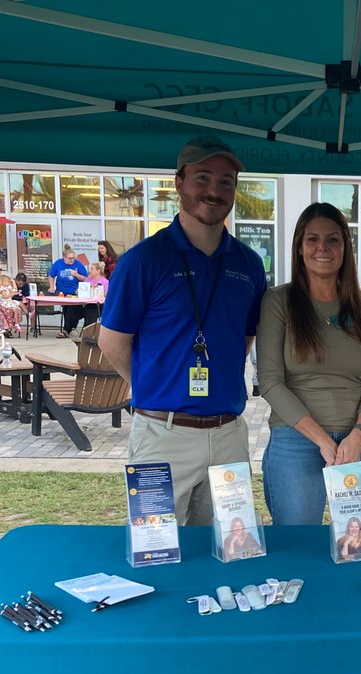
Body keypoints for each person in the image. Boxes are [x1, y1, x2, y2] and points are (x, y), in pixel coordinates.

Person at [99, 134, 266, 526]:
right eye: (203, 178)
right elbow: (112, 341)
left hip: (228, 436)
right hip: (161, 435)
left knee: (230, 549)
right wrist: (155, 387)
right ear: (179, 182)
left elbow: (243, 339)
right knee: (156, 554)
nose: (214, 190)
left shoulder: (249, 264)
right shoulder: (143, 261)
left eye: (225, 181)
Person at [256, 202, 361, 524]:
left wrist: (358, 434)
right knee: (298, 548)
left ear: (345, 247)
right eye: (313, 239)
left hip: (358, 442)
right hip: (295, 440)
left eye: (333, 239)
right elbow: (270, 381)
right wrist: (322, 440)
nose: (323, 248)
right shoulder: (278, 302)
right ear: (300, 247)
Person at [48, 245, 90, 338]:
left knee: (71, 308)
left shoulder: (78, 264)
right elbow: (51, 275)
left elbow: (85, 279)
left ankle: (67, 330)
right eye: (70, 258)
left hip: (74, 291)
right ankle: (70, 328)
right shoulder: (58, 263)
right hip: (62, 292)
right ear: (64, 258)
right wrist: (51, 286)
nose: (72, 260)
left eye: (73, 258)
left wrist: (76, 274)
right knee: (67, 308)